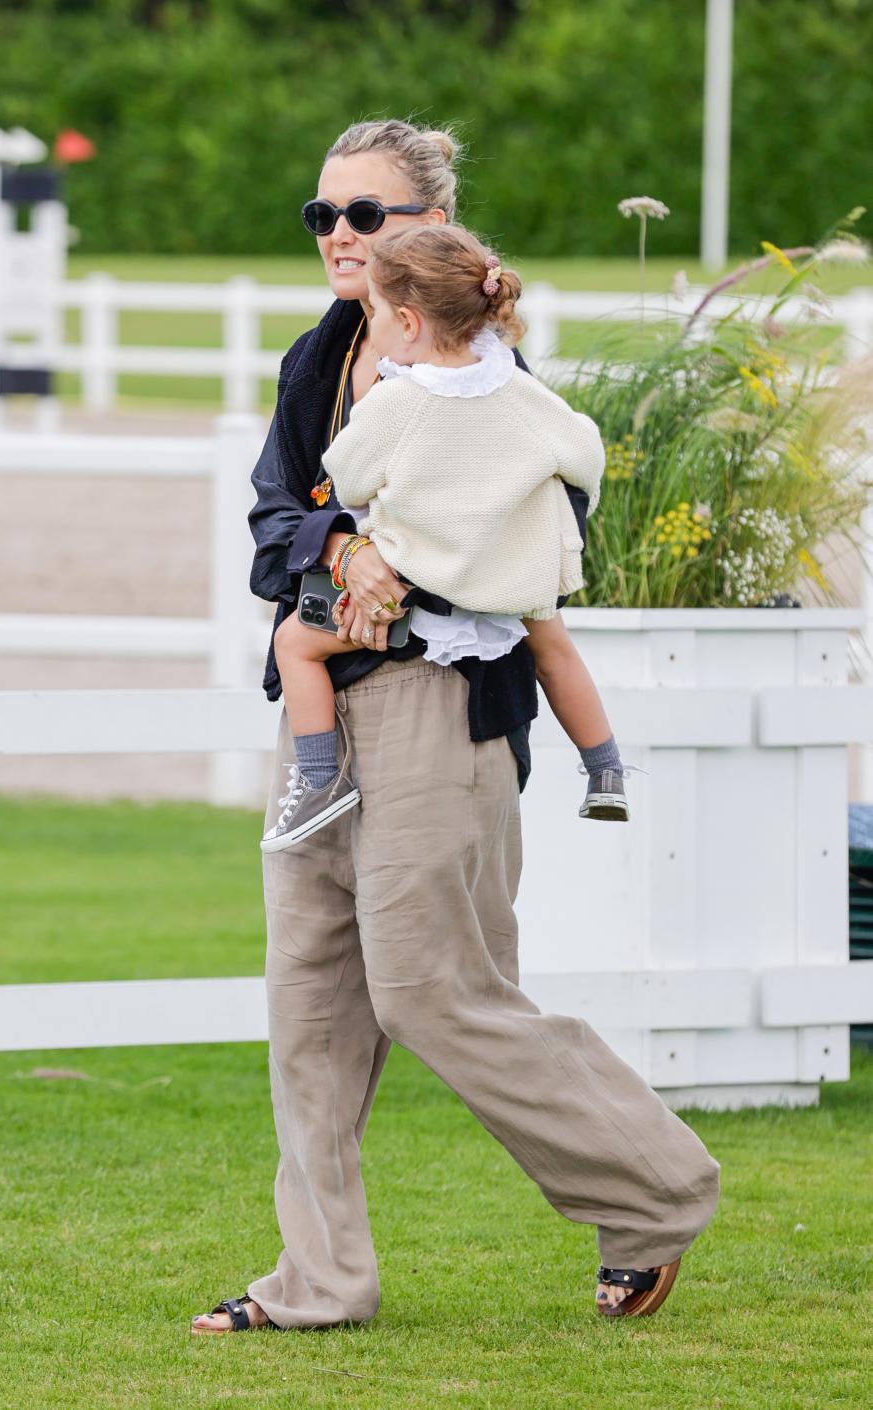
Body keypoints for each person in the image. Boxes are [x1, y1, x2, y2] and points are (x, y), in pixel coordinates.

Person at [191, 118, 720, 1335]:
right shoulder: (318, 356)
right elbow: (275, 514)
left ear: (428, 224)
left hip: (442, 712)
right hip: (321, 713)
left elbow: (539, 524)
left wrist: (402, 570)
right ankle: (318, 1280)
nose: (337, 236)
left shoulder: (492, 376)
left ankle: (655, 1189)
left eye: (363, 215)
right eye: (321, 215)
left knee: (435, 989)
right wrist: (337, 545)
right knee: (310, 1006)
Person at [263, 221, 628, 856]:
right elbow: (586, 456)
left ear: (407, 323)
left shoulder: (396, 402)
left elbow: (343, 475)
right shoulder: (522, 390)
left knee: (297, 644)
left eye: (373, 310)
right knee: (557, 652)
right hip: (510, 584)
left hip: (414, 592)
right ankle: (604, 768)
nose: (367, 323)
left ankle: (320, 781)